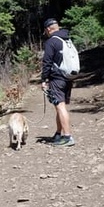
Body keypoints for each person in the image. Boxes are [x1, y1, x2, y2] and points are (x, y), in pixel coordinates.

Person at [40, 18, 75, 146]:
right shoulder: (67, 39)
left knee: (60, 107)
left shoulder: (51, 42)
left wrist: (44, 79)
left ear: (48, 29)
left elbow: (47, 62)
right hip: (68, 77)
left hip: (57, 78)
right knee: (60, 107)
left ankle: (67, 137)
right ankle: (59, 133)